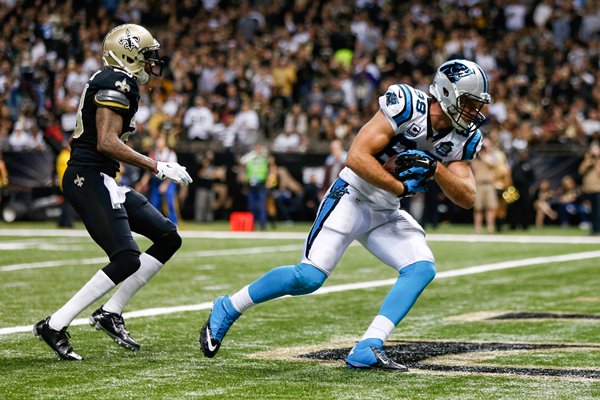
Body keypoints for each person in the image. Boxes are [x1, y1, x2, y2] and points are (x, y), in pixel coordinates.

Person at [199, 59, 491, 371]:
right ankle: (229, 307)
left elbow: (467, 196)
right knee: (308, 277)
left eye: (477, 104)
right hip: (352, 196)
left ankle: (368, 345)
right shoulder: (408, 105)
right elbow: (356, 157)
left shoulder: (464, 137)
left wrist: (435, 169)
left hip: (387, 209)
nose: (474, 111)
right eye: (469, 103)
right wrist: (399, 187)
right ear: (446, 93)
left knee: (421, 268)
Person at [33, 24, 192, 361]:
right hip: (87, 177)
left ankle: (111, 312)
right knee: (126, 258)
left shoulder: (116, 80)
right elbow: (106, 142)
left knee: (167, 237)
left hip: (101, 176)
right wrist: (157, 165)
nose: (152, 63)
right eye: (147, 56)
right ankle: (56, 324)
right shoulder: (116, 82)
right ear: (129, 54)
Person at [578, 142, 600, 235]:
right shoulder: (587, 160)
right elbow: (581, 171)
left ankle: (598, 230)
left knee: (598, 211)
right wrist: (588, 160)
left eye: (596, 149)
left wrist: (596, 161)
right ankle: (594, 230)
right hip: (589, 189)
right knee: (591, 211)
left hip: (598, 189)